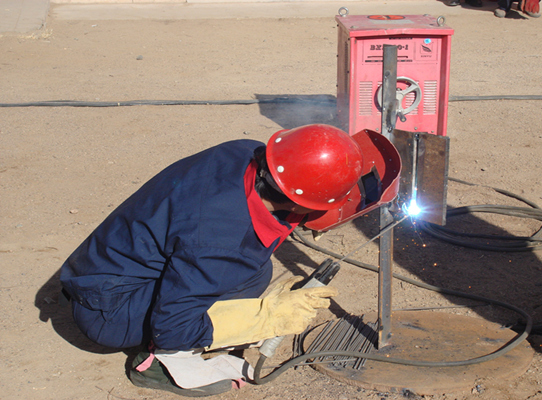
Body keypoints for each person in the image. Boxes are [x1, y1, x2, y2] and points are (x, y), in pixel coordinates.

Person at [60, 124, 368, 396]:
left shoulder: (244, 152)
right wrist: (263, 318)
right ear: (298, 202)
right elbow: (173, 326)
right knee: (232, 276)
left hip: (101, 270)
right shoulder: (223, 240)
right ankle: (161, 365)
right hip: (108, 312)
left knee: (255, 271)